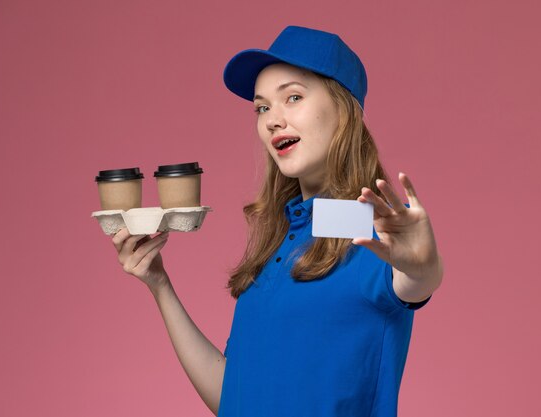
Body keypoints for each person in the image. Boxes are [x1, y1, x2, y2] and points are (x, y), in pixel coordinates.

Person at [110, 25, 443, 417]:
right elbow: (232, 394)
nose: (271, 120)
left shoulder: (372, 233)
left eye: (294, 98)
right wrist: (159, 285)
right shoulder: (283, 241)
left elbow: (416, 280)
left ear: (344, 108)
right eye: (262, 107)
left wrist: (422, 264)